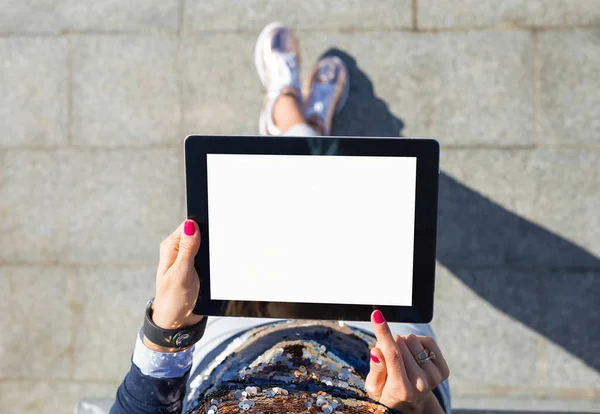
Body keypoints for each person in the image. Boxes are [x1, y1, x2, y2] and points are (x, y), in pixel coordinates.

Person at [110, 22, 451, 414]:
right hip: (376, 342)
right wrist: (414, 407)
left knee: (287, 220)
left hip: (238, 336)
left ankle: (293, 119)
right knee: (351, 221)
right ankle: (298, 123)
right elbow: (418, 394)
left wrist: (168, 329)